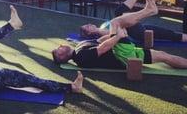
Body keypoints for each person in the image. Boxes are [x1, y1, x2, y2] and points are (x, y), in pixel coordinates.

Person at [79, 0, 187, 44]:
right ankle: (147, 8)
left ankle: (147, 7)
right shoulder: (99, 33)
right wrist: (123, 22)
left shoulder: (101, 27)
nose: (89, 24)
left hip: (137, 30)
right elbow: (116, 35)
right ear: (89, 33)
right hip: (133, 36)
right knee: (119, 13)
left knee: (169, 34)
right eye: (87, 27)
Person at [52, 26, 187, 70]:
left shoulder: (79, 47)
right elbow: (103, 48)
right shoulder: (80, 57)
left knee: (163, 55)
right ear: (63, 57)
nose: (61, 46)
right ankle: (148, 10)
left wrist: (112, 35)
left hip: (121, 51)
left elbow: (99, 41)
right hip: (122, 57)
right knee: (117, 22)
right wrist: (117, 36)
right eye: (59, 50)